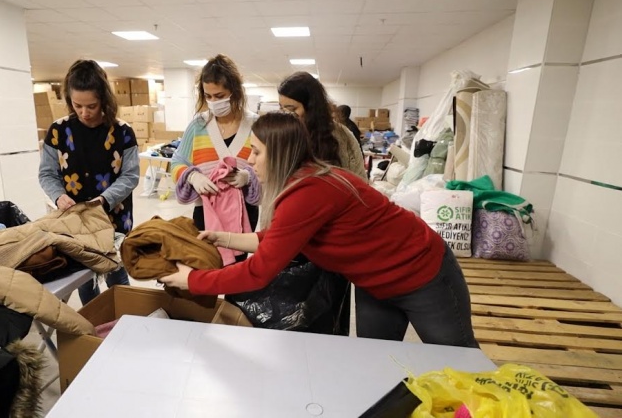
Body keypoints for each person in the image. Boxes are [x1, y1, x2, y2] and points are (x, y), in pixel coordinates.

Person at [160, 112, 479, 348]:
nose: (249, 160)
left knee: (458, 363)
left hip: (422, 275)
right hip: (373, 283)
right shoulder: (303, 180)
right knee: (378, 364)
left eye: (256, 151)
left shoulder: (308, 191)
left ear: (281, 152)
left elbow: (259, 272)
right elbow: (283, 239)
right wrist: (226, 238)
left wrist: (192, 280)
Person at [38, 59, 139, 305]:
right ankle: (94, 323)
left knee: (116, 273)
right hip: (75, 221)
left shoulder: (123, 132)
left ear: (104, 99)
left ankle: (125, 318)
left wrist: (104, 200)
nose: (85, 112)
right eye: (77, 105)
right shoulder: (58, 131)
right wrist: (58, 196)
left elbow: (130, 175)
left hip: (111, 218)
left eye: (92, 105)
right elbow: (47, 174)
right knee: (85, 279)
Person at [171, 54, 260, 237]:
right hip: (206, 211)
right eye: (208, 96)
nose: (213, 102)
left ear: (235, 92)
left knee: (237, 264)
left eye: (219, 96)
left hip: (242, 213)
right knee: (208, 261)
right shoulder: (198, 125)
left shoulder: (255, 125)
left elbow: (270, 169)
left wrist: (248, 177)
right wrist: (192, 176)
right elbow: (176, 162)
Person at [277, 72, 366, 181]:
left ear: (311, 108)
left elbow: (358, 180)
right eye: (282, 109)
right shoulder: (282, 134)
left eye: (292, 109)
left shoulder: (340, 136)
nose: (286, 115)